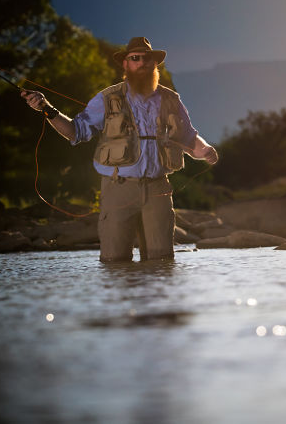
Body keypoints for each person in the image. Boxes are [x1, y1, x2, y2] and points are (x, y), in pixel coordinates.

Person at [22, 36, 218, 261]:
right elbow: (75, 132)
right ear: (125, 64)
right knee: (114, 261)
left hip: (158, 189)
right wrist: (46, 108)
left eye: (148, 59)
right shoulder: (106, 98)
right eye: (135, 58)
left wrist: (205, 150)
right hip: (118, 188)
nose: (142, 63)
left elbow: (189, 137)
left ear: (155, 64)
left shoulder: (170, 99)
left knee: (162, 261)